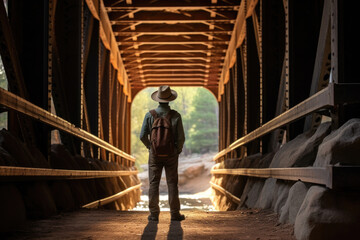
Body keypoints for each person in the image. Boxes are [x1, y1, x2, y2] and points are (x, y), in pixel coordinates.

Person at [140, 85, 185, 222]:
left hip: (155, 155)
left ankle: (154, 214)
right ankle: (175, 214)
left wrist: (150, 147)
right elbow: (181, 138)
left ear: (158, 99)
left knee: (154, 183)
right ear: (170, 100)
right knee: (172, 183)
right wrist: (177, 150)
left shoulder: (149, 115)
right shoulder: (176, 116)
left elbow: (142, 135)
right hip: (171, 154)